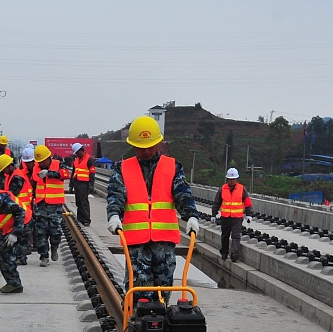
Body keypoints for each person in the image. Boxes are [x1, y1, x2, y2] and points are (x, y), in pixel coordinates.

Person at [106, 116, 199, 301]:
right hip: (136, 244)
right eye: (141, 147)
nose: (146, 151)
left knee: (163, 290)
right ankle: (138, 324)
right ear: (134, 146)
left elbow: (182, 193)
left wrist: (191, 216)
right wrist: (114, 215)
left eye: (150, 146)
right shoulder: (122, 168)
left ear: (158, 143)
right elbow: (116, 194)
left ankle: (161, 323)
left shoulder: (172, 167)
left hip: (163, 243)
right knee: (139, 290)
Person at [0, 153, 34, 267]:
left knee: (21, 237)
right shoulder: (10, 176)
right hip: (17, 210)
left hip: (22, 211)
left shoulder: (17, 177)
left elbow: (12, 193)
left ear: (9, 165)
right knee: (20, 236)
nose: (4, 172)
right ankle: (19, 257)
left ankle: (21, 258)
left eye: (5, 169)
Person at [32, 144, 68, 266]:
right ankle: (44, 256)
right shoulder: (36, 168)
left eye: (42, 161)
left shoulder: (58, 164)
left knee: (56, 231)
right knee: (41, 232)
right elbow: (33, 183)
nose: (40, 164)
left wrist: (49, 173)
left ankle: (54, 246)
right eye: (39, 162)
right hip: (41, 204)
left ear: (48, 158)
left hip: (55, 205)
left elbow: (65, 174)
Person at [210, 168, 253, 262]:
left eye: (233, 179)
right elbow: (217, 202)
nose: (232, 181)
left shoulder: (242, 189)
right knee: (225, 236)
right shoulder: (222, 189)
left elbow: (247, 202)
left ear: (236, 179)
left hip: (237, 218)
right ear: (227, 179)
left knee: (236, 236)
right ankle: (224, 252)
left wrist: (249, 214)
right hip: (225, 218)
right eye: (230, 179)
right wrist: (214, 214)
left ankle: (234, 254)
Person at [16, 146, 37, 265]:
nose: (30, 165)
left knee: (36, 223)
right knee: (28, 225)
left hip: (36, 200)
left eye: (31, 162)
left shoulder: (37, 169)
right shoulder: (21, 172)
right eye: (27, 163)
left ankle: (36, 244)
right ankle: (28, 246)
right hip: (26, 204)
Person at [69, 142, 95, 225]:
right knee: (78, 201)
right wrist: (71, 185)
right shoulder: (76, 161)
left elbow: (92, 172)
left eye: (77, 152)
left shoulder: (89, 159)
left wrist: (91, 184)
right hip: (77, 183)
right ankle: (80, 218)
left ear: (81, 150)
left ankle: (86, 219)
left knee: (84, 202)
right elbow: (73, 173)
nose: (76, 154)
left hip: (84, 183)